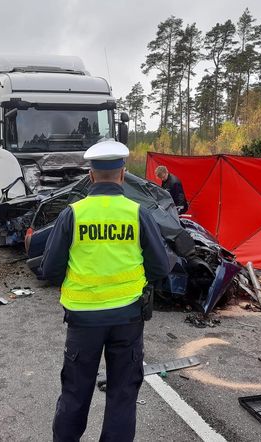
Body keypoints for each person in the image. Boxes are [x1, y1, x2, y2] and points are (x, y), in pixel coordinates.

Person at [40, 140, 171, 442]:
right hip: (127, 319)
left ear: (91, 175)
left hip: (83, 321)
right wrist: (138, 282)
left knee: (75, 391)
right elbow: (161, 267)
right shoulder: (137, 213)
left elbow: (49, 269)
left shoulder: (73, 214)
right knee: (122, 395)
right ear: (123, 175)